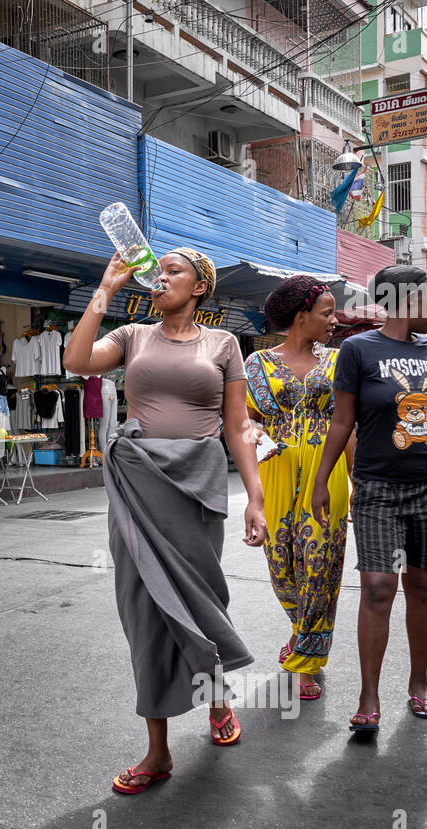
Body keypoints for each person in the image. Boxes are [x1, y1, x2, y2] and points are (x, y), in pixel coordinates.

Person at [64, 248, 267, 795]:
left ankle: (217, 700)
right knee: (143, 607)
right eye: (158, 271)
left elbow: (238, 426)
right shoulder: (132, 335)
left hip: (196, 488)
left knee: (202, 601)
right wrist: (106, 286)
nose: (161, 278)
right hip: (138, 482)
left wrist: (255, 496)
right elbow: (76, 361)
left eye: (173, 271)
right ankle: (157, 750)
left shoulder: (225, 345)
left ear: (201, 286)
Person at [311, 265, 427, 731]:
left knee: (422, 587)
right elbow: (342, 422)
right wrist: (323, 479)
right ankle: (369, 696)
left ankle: (419, 683)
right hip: (378, 488)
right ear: (407, 300)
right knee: (378, 588)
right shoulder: (357, 350)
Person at [246, 276, 353, 700]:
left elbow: (351, 423)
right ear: (300, 316)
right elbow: (245, 419)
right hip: (275, 470)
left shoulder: (341, 360)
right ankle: (299, 630)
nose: (334, 320)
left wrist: (357, 477)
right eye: (327, 312)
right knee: (282, 570)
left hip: (326, 473)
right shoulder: (256, 364)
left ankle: (307, 662)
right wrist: (256, 435)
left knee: (320, 569)